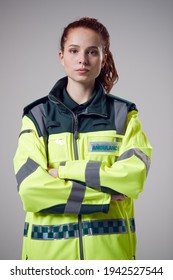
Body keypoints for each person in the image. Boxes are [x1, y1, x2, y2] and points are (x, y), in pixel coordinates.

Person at [13, 17, 152, 260]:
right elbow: (31, 189)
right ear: (61, 56)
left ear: (103, 58)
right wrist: (103, 197)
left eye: (92, 52)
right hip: (47, 263)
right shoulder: (37, 117)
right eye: (74, 51)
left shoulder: (124, 115)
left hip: (111, 261)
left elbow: (131, 179)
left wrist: (63, 171)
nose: (82, 60)